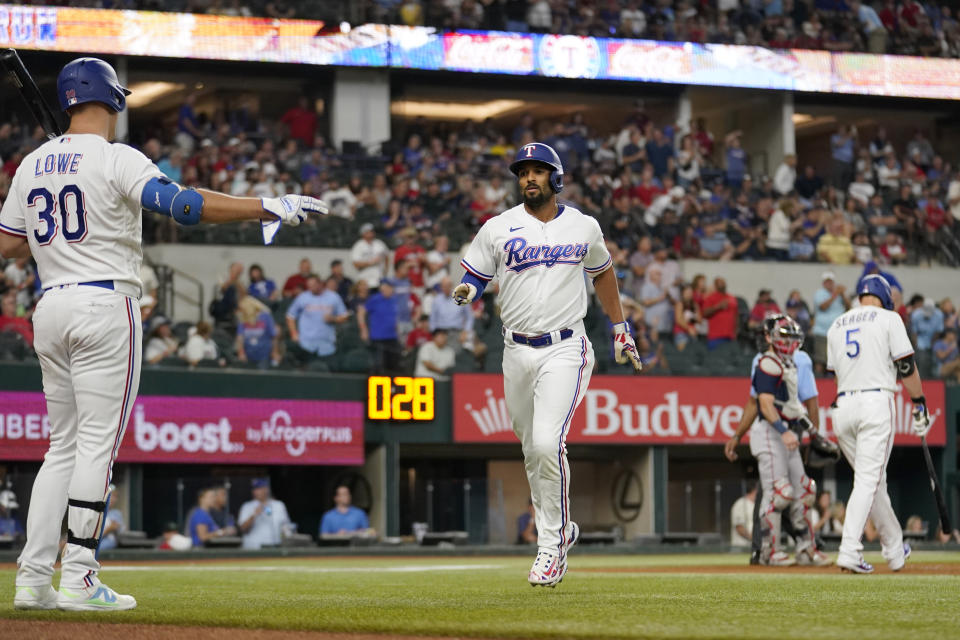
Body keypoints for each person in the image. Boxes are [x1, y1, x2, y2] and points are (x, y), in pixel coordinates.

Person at [1, 57, 324, 612]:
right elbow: (185, 206)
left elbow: (8, 245)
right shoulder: (117, 157)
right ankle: (78, 576)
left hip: (50, 305)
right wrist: (268, 205)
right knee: (96, 448)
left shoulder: (34, 162)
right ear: (114, 99)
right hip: (105, 302)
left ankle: (32, 580)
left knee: (61, 449)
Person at [452, 142, 642, 588]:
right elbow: (475, 275)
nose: (528, 178)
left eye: (537, 171)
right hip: (514, 351)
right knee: (531, 451)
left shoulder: (583, 225)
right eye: (523, 172)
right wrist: (466, 291)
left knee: (546, 441)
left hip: (565, 347)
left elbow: (604, 273)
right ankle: (562, 527)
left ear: (556, 178)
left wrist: (620, 328)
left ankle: (551, 545)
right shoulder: (499, 227)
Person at [827, 274, 924, 573]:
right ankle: (849, 550)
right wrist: (919, 401)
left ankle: (895, 549)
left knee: (873, 482)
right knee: (868, 481)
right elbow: (905, 366)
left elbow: (835, 372)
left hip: (842, 406)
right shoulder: (889, 318)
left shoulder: (836, 323)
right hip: (874, 403)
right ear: (884, 295)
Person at [723, 315, 832, 566]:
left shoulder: (795, 362)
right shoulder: (765, 363)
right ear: (768, 336)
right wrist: (740, 434)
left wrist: (813, 434)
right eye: (783, 336)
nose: (789, 341)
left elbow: (801, 404)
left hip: (790, 430)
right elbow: (761, 402)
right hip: (771, 431)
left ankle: (806, 549)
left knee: (804, 490)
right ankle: (768, 551)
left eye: (791, 336)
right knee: (778, 493)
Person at [285, 275, 349, 368]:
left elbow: (345, 316)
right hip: (306, 345)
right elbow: (290, 316)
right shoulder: (303, 297)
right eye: (309, 286)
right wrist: (294, 333)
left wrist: (333, 319)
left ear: (320, 284)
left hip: (327, 345)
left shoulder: (333, 297)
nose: (311, 288)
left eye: (313, 285)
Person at [811, 272, 850, 374]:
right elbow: (823, 307)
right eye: (827, 282)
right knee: (821, 359)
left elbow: (849, 308)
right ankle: (819, 381)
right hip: (822, 332)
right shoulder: (819, 293)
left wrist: (843, 295)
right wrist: (835, 294)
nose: (829, 284)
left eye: (831, 282)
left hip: (838, 332)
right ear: (823, 283)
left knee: (838, 359)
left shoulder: (839, 295)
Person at [237, 478, 291, 550]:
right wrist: (254, 515)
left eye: (259, 488)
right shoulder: (247, 506)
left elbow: (286, 527)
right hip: (252, 548)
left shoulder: (278, 505)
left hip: (274, 547)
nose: (256, 491)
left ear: (266, 489)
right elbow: (242, 529)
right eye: (254, 489)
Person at [236, 296, 277, 369]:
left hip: (264, 355)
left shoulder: (266, 317)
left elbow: (273, 336)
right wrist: (241, 353)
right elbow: (240, 338)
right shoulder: (243, 319)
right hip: (248, 355)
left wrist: (274, 352)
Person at [701, 277, 738, 349]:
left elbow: (736, 316)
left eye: (723, 282)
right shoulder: (710, 298)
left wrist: (735, 332)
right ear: (715, 285)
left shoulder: (732, 298)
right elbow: (705, 313)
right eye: (720, 283)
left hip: (730, 337)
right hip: (715, 337)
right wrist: (718, 307)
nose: (722, 284)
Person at [350, 224, 390, 289]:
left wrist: (385, 271)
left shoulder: (379, 243)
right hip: (365, 280)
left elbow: (387, 256)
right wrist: (370, 263)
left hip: (379, 279)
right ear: (363, 233)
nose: (370, 233)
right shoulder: (359, 245)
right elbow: (355, 263)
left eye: (371, 231)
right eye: (368, 232)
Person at [730, 482, 757, 548]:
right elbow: (739, 527)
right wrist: (755, 539)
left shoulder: (757, 505)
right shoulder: (741, 503)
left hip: (754, 546)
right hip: (741, 547)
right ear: (755, 490)